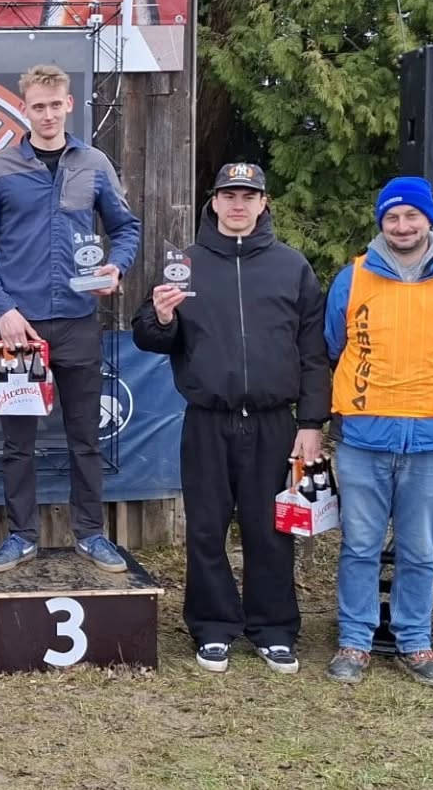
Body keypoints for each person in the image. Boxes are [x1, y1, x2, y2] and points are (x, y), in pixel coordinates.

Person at [132, 163, 329, 675]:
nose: (238, 204)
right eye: (229, 195)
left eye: (248, 195)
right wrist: (162, 316)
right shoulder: (185, 264)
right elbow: (148, 336)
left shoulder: (291, 267)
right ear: (214, 202)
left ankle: (274, 629)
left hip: (274, 422)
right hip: (207, 420)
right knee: (205, 528)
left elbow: (314, 352)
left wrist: (311, 423)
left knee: (271, 529)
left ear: (263, 203)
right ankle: (213, 627)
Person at [0, 63, 141, 573]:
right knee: (18, 443)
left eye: (54, 105)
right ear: (24, 108)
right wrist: (4, 309)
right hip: (21, 329)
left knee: (86, 438)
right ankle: (21, 535)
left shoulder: (94, 163)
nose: (46, 115)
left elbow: (126, 228)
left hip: (80, 320)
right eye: (37, 106)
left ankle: (91, 533)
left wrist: (116, 266)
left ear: (69, 105)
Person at [324, 176, 433, 690]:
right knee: (359, 545)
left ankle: (414, 643)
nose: (402, 226)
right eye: (392, 217)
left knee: (420, 549)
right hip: (363, 436)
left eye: (412, 216)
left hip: (432, 438)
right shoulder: (353, 277)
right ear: (381, 222)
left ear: (429, 220)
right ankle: (354, 641)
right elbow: (332, 345)